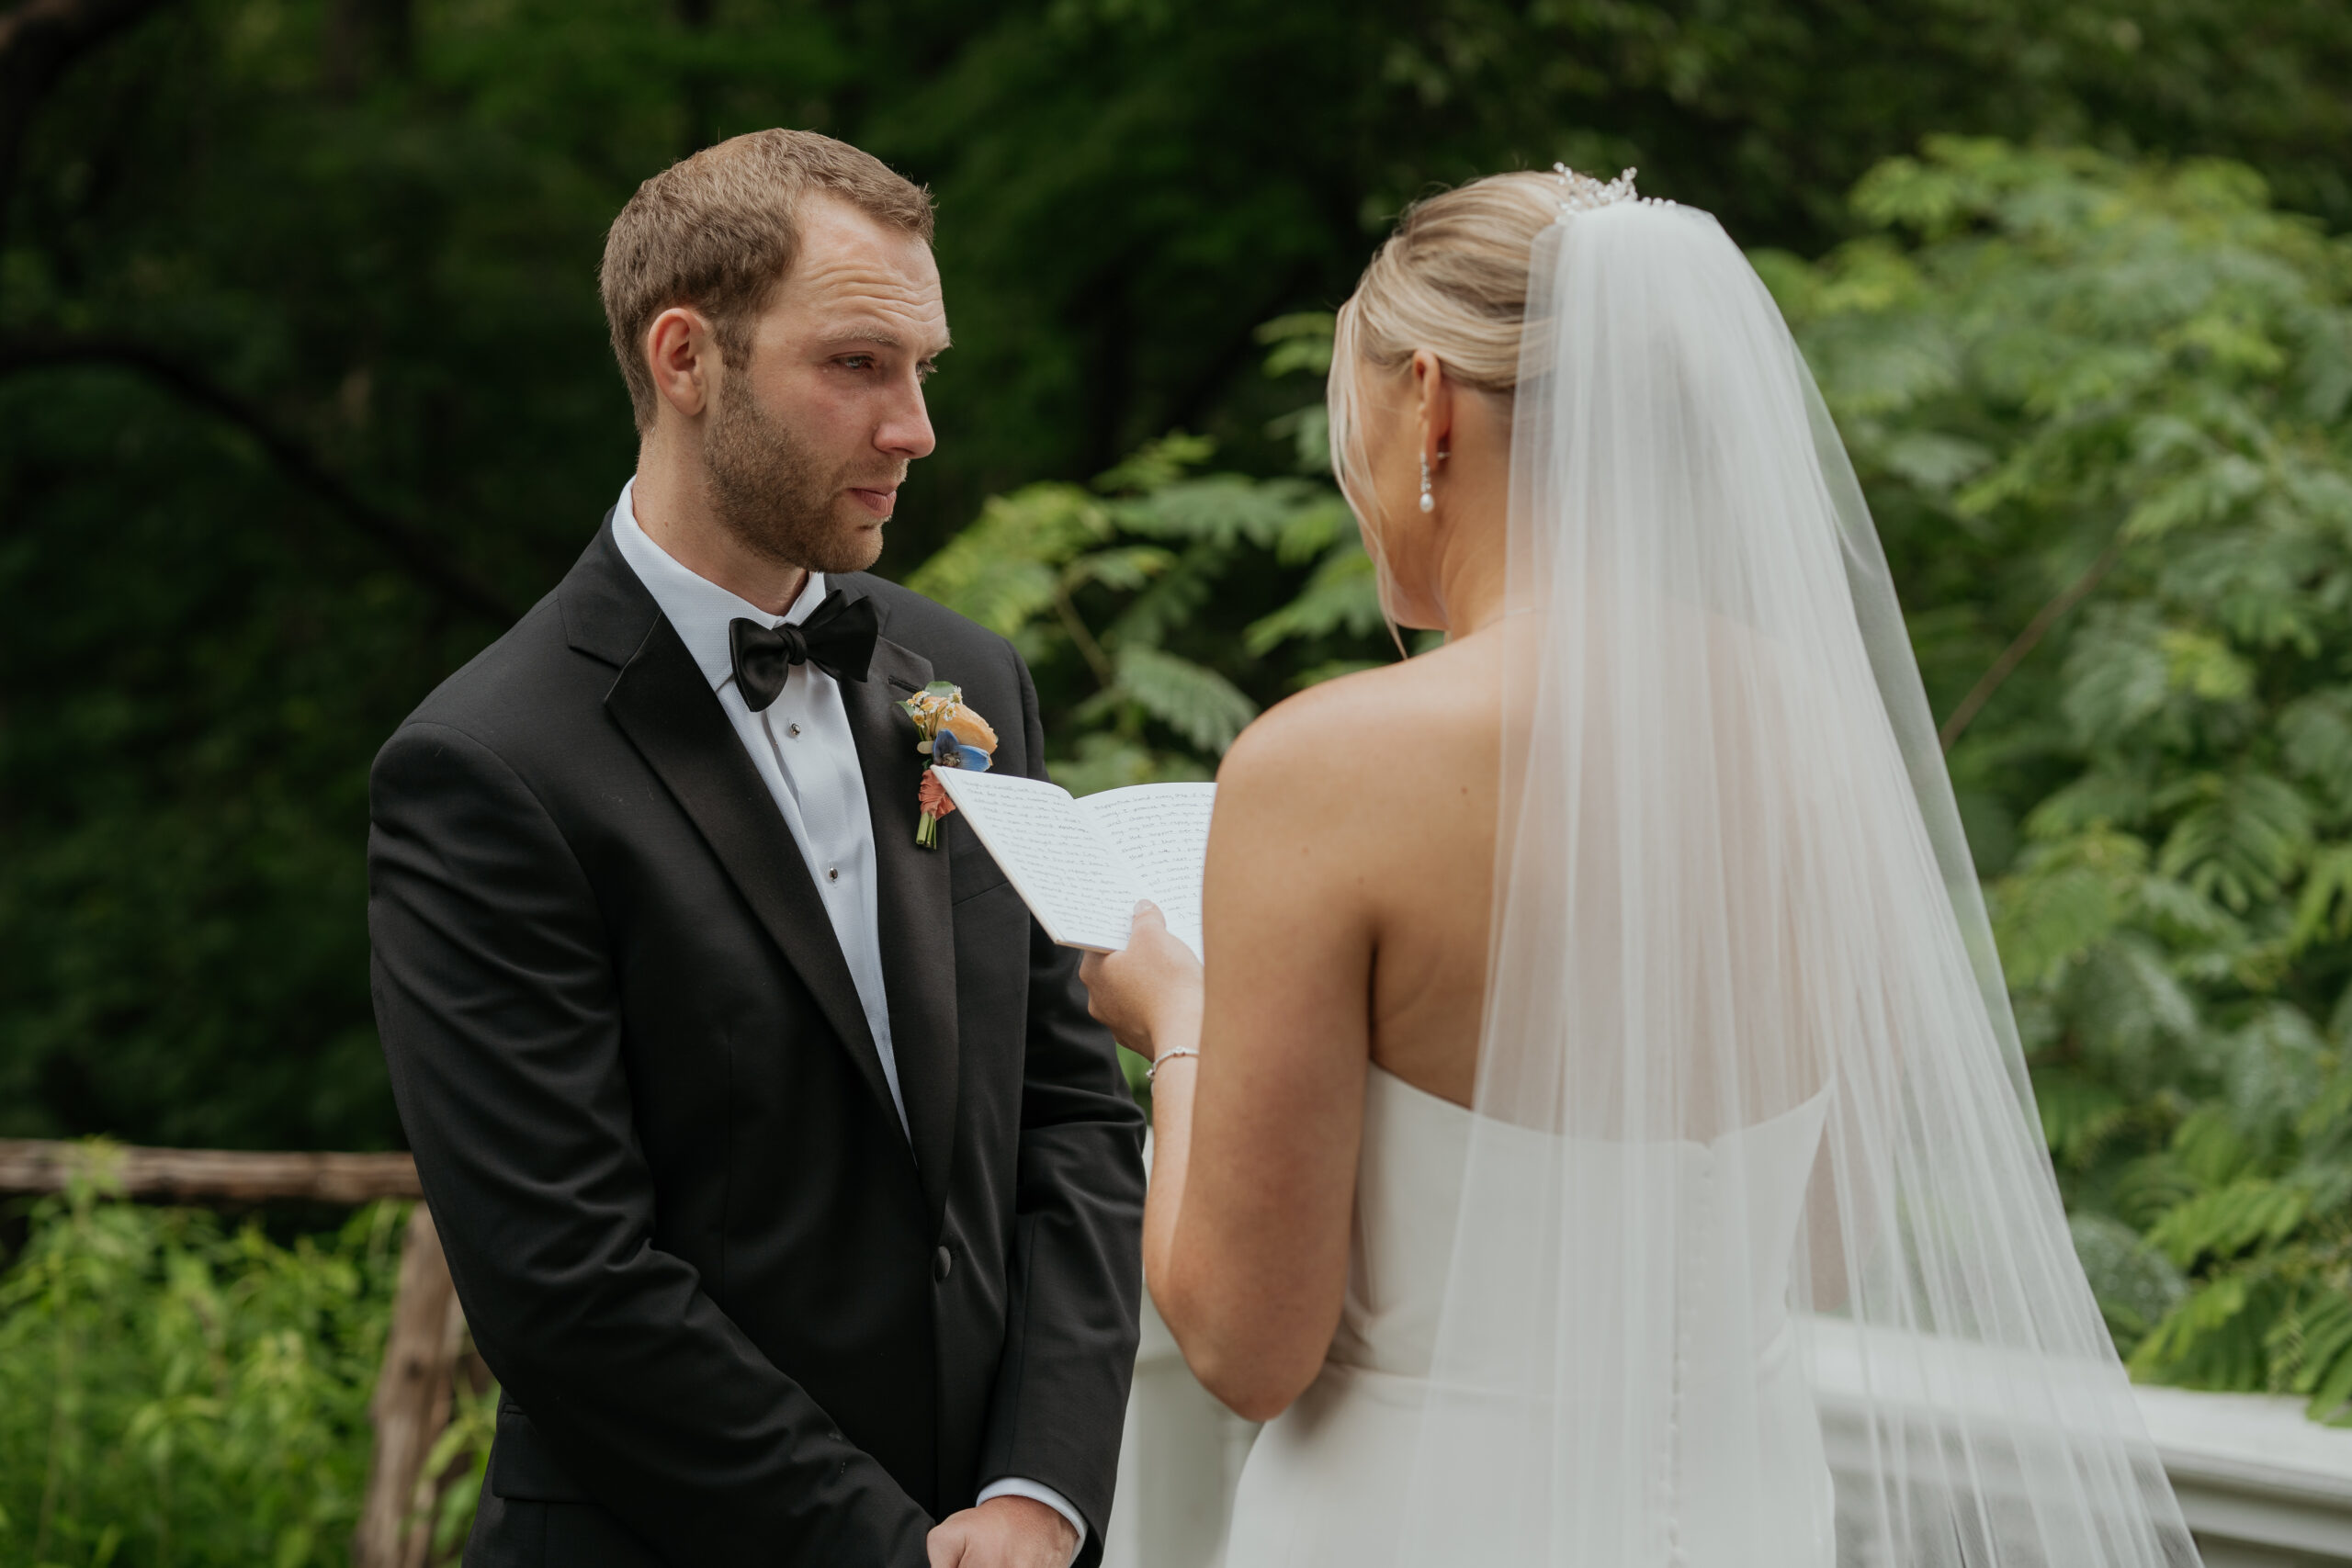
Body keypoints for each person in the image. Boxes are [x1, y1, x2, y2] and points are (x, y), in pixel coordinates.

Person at [1080, 170, 2202, 1565]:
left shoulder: (1330, 769)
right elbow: (1823, 1247)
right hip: (1751, 1515)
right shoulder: (1823, 737)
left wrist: (1179, 1019)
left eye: (1352, 423)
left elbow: (1250, 1347)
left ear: (1426, 403)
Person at [368, 130, 1144, 1568]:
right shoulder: (485, 766)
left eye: (925, 369)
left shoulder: (965, 681)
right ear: (684, 359)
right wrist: (891, 1552)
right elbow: (565, 1284)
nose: (914, 427)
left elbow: (1074, 1116)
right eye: (858, 365)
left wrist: (1041, 1495)